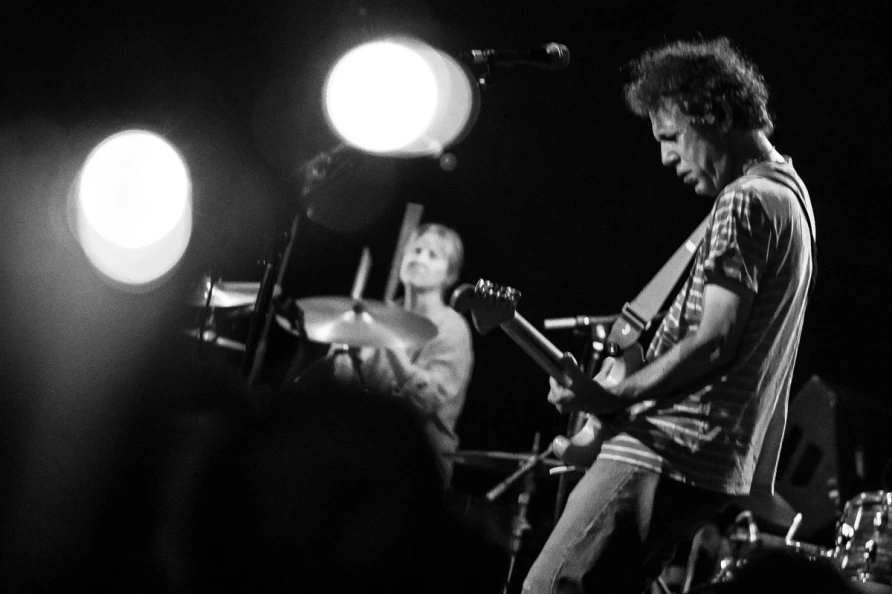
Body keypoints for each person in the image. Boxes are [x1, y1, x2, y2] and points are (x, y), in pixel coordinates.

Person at [523, 37, 816, 593]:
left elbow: (715, 341)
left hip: (671, 446)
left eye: (671, 136)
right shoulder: (791, 198)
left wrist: (616, 396)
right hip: (712, 456)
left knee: (550, 586)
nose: (665, 157)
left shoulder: (744, 201)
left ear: (714, 114)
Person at [329, 222, 475, 487]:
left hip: (418, 465)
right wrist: (341, 349)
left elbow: (424, 403)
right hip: (366, 450)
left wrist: (389, 340)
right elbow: (353, 388)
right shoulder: (384, 312)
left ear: (450, 275)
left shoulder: (452, 327)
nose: (420, 259)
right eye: (416, 250)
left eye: (433, 256)